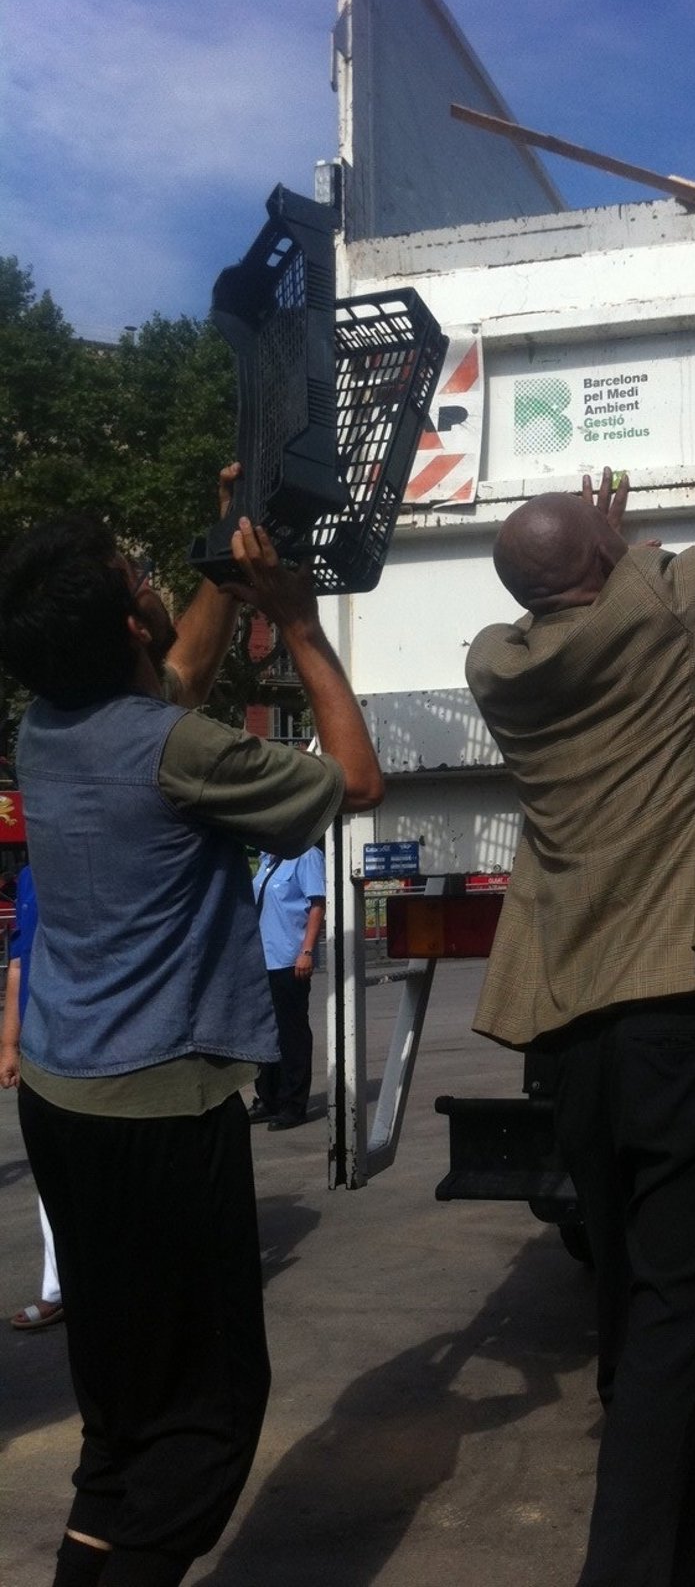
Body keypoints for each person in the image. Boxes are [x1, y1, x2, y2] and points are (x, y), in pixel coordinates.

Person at [465, 172, 695, 1586]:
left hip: (580, 1051)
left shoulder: (503, 665)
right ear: (610, 562)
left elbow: (574, 589)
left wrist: (601, 540)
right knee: (682, 1329)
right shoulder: (677, 617)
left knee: (636, 1314)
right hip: (685, 1039)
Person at [0, 497, 383, 1587]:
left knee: (123, 1406)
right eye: (140, 578)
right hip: (158, 1115)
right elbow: (357, 780)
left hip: (63, 1099)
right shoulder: (176, 750)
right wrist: (299, 623)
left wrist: (227, 546)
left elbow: (178, 674)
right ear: (131, 623)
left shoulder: (46, 724)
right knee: (207, 1417)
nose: (154, 581)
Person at [1, 862, 64, 1330]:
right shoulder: (28, 877)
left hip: (100, 1047)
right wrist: (9, 1044)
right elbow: (18, 964)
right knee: (52, 1177)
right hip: (41, 1053)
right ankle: (58, 1289)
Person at [248, 845, 327, 1130]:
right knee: (264, 1035)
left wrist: (307, 951)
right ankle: (268, 1099)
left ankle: (293, 1104)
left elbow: (317, 904)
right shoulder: (267, 858)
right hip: (262, 961)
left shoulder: (306, 856)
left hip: (289, 959)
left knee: (291, 1034)